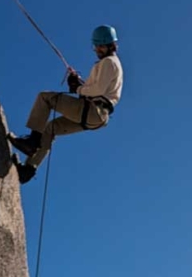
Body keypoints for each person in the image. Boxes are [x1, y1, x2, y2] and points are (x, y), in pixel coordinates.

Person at [8, 25, 123, 183]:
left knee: (45, 98)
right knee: (50, 129)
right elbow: (96, 90)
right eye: (96, 46)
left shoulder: (109, 62)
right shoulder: (109, 64)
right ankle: (28, 170)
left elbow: (97, 89)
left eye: (100, 46)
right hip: (97, 116)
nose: (97, 49)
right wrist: (77, 84)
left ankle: (32, 142)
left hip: (93, 111)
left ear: (111, 45)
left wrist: (78, 88)